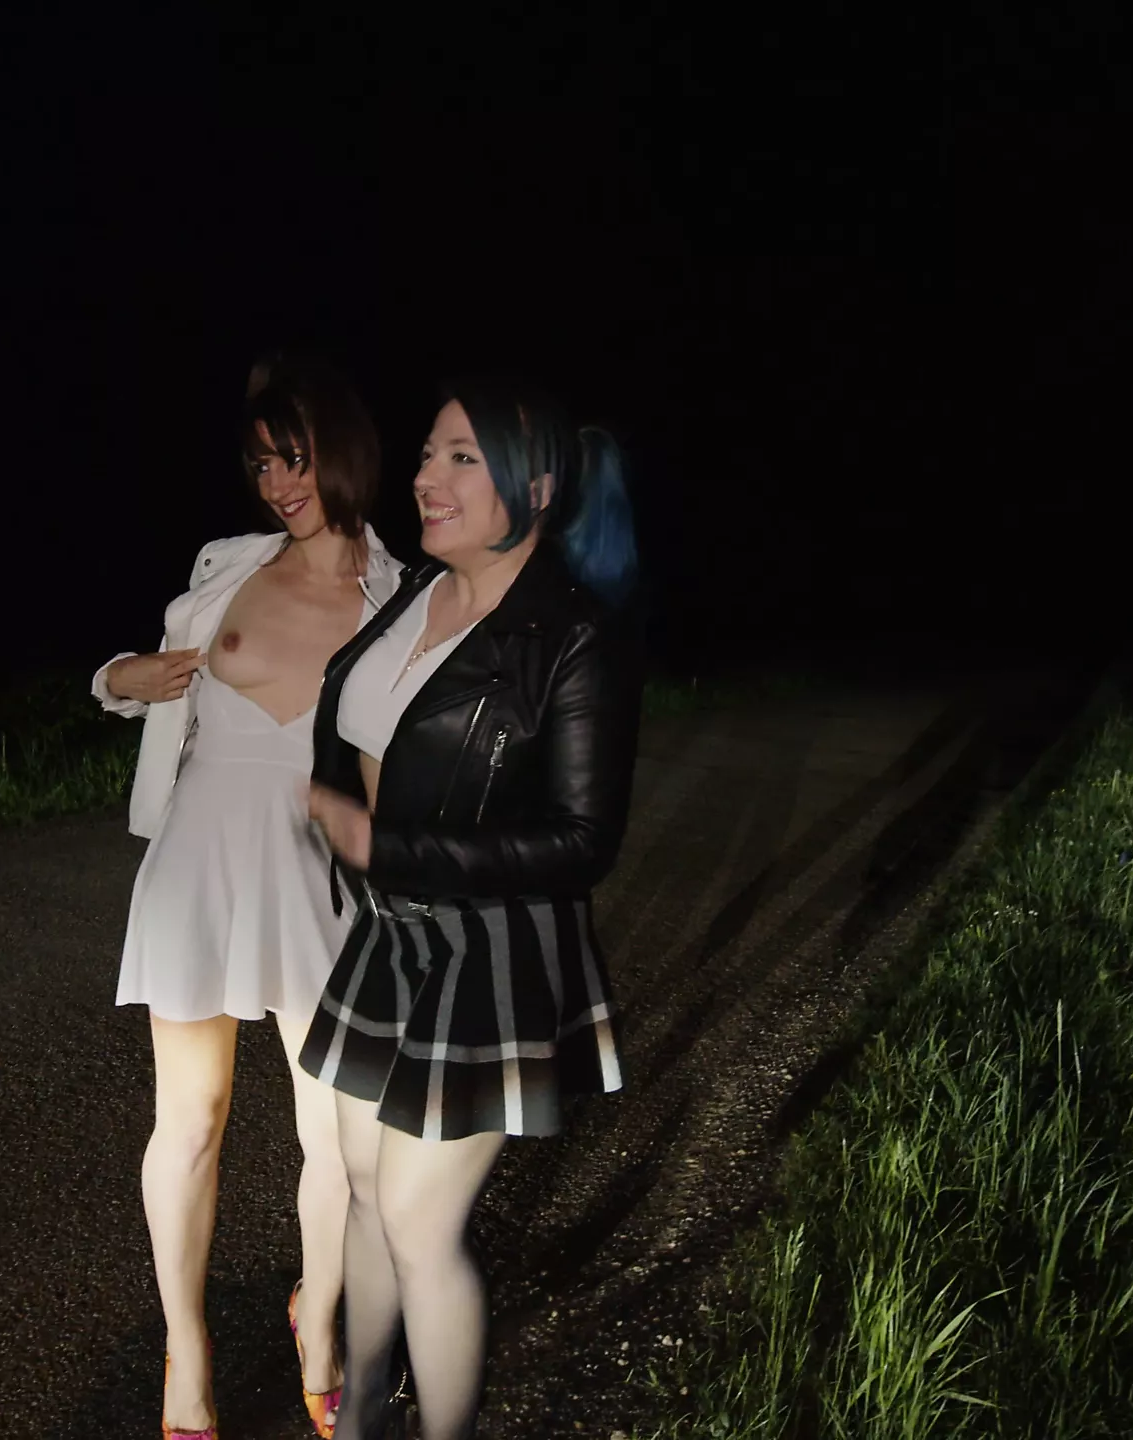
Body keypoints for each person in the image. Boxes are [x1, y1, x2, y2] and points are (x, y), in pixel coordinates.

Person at [300, 378, 643, 1440]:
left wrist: (387, 846)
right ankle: (362, 1410)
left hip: (491, 948)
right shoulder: (417, 591)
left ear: (534, 488)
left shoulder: (571, 636)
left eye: (461, 457)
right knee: (364, 1185)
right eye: (426, 455)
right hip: (387, 931)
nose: (426, 477)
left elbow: (583, 842)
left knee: (416, 1217)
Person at [95, 353, 407, 1438]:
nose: (278, 484)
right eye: (262, 464)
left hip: (317, 877)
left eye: (296, 459)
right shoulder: (228, 565)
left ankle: (317, 1323)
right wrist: (115, 680)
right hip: (200, 863)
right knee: (188, 1122)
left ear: (345, 453)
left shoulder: (399, 597)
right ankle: (187, 1359)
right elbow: (136, 677)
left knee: (342, 1142)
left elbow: (402, 761)